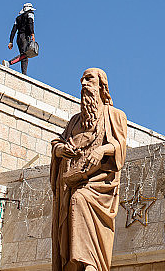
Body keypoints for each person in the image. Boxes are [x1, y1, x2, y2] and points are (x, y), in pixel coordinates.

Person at [50, 68, 128, 271]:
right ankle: (75, 262)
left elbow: (120, 148)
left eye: (89, 79)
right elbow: (57, 142)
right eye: (82, 80)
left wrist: (101, 150)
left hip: (100, 185)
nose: (83, 83)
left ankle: (88, 263)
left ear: (102, 86)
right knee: (75, 200)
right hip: (72, 182)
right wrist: (61, 150)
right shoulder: (75, 121)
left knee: (80, 198)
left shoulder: (115, 115)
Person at [4, 3, 35, 74]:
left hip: (18, 38)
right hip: (25, 37)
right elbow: (30, 23)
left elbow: (13, 30)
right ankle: (9, 63)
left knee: (24, 56)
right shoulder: (30, 14)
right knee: (25, 54)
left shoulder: (18, 18)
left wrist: (11, 41)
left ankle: (24, 73)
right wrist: (32, 34)